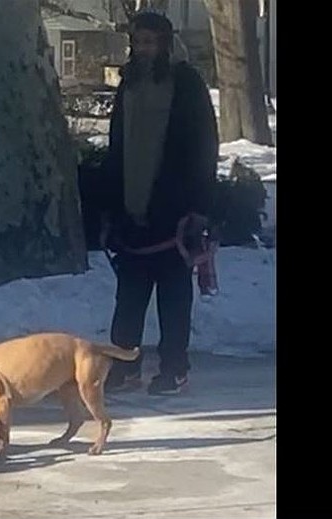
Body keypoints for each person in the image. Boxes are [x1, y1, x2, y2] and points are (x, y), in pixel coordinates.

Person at [100, 10, 219, 395]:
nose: (143, 49)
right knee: (130, 294)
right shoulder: (128, 83)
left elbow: (204, 144)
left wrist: (200, 203)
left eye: (150, 42)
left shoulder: (186, 82)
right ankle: (124, 365)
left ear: (165, 43)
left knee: (172, 294)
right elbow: (116, 143)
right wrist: (109, 203)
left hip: (175, 206)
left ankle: (174, 367)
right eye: (138, 42)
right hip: (131, 207)